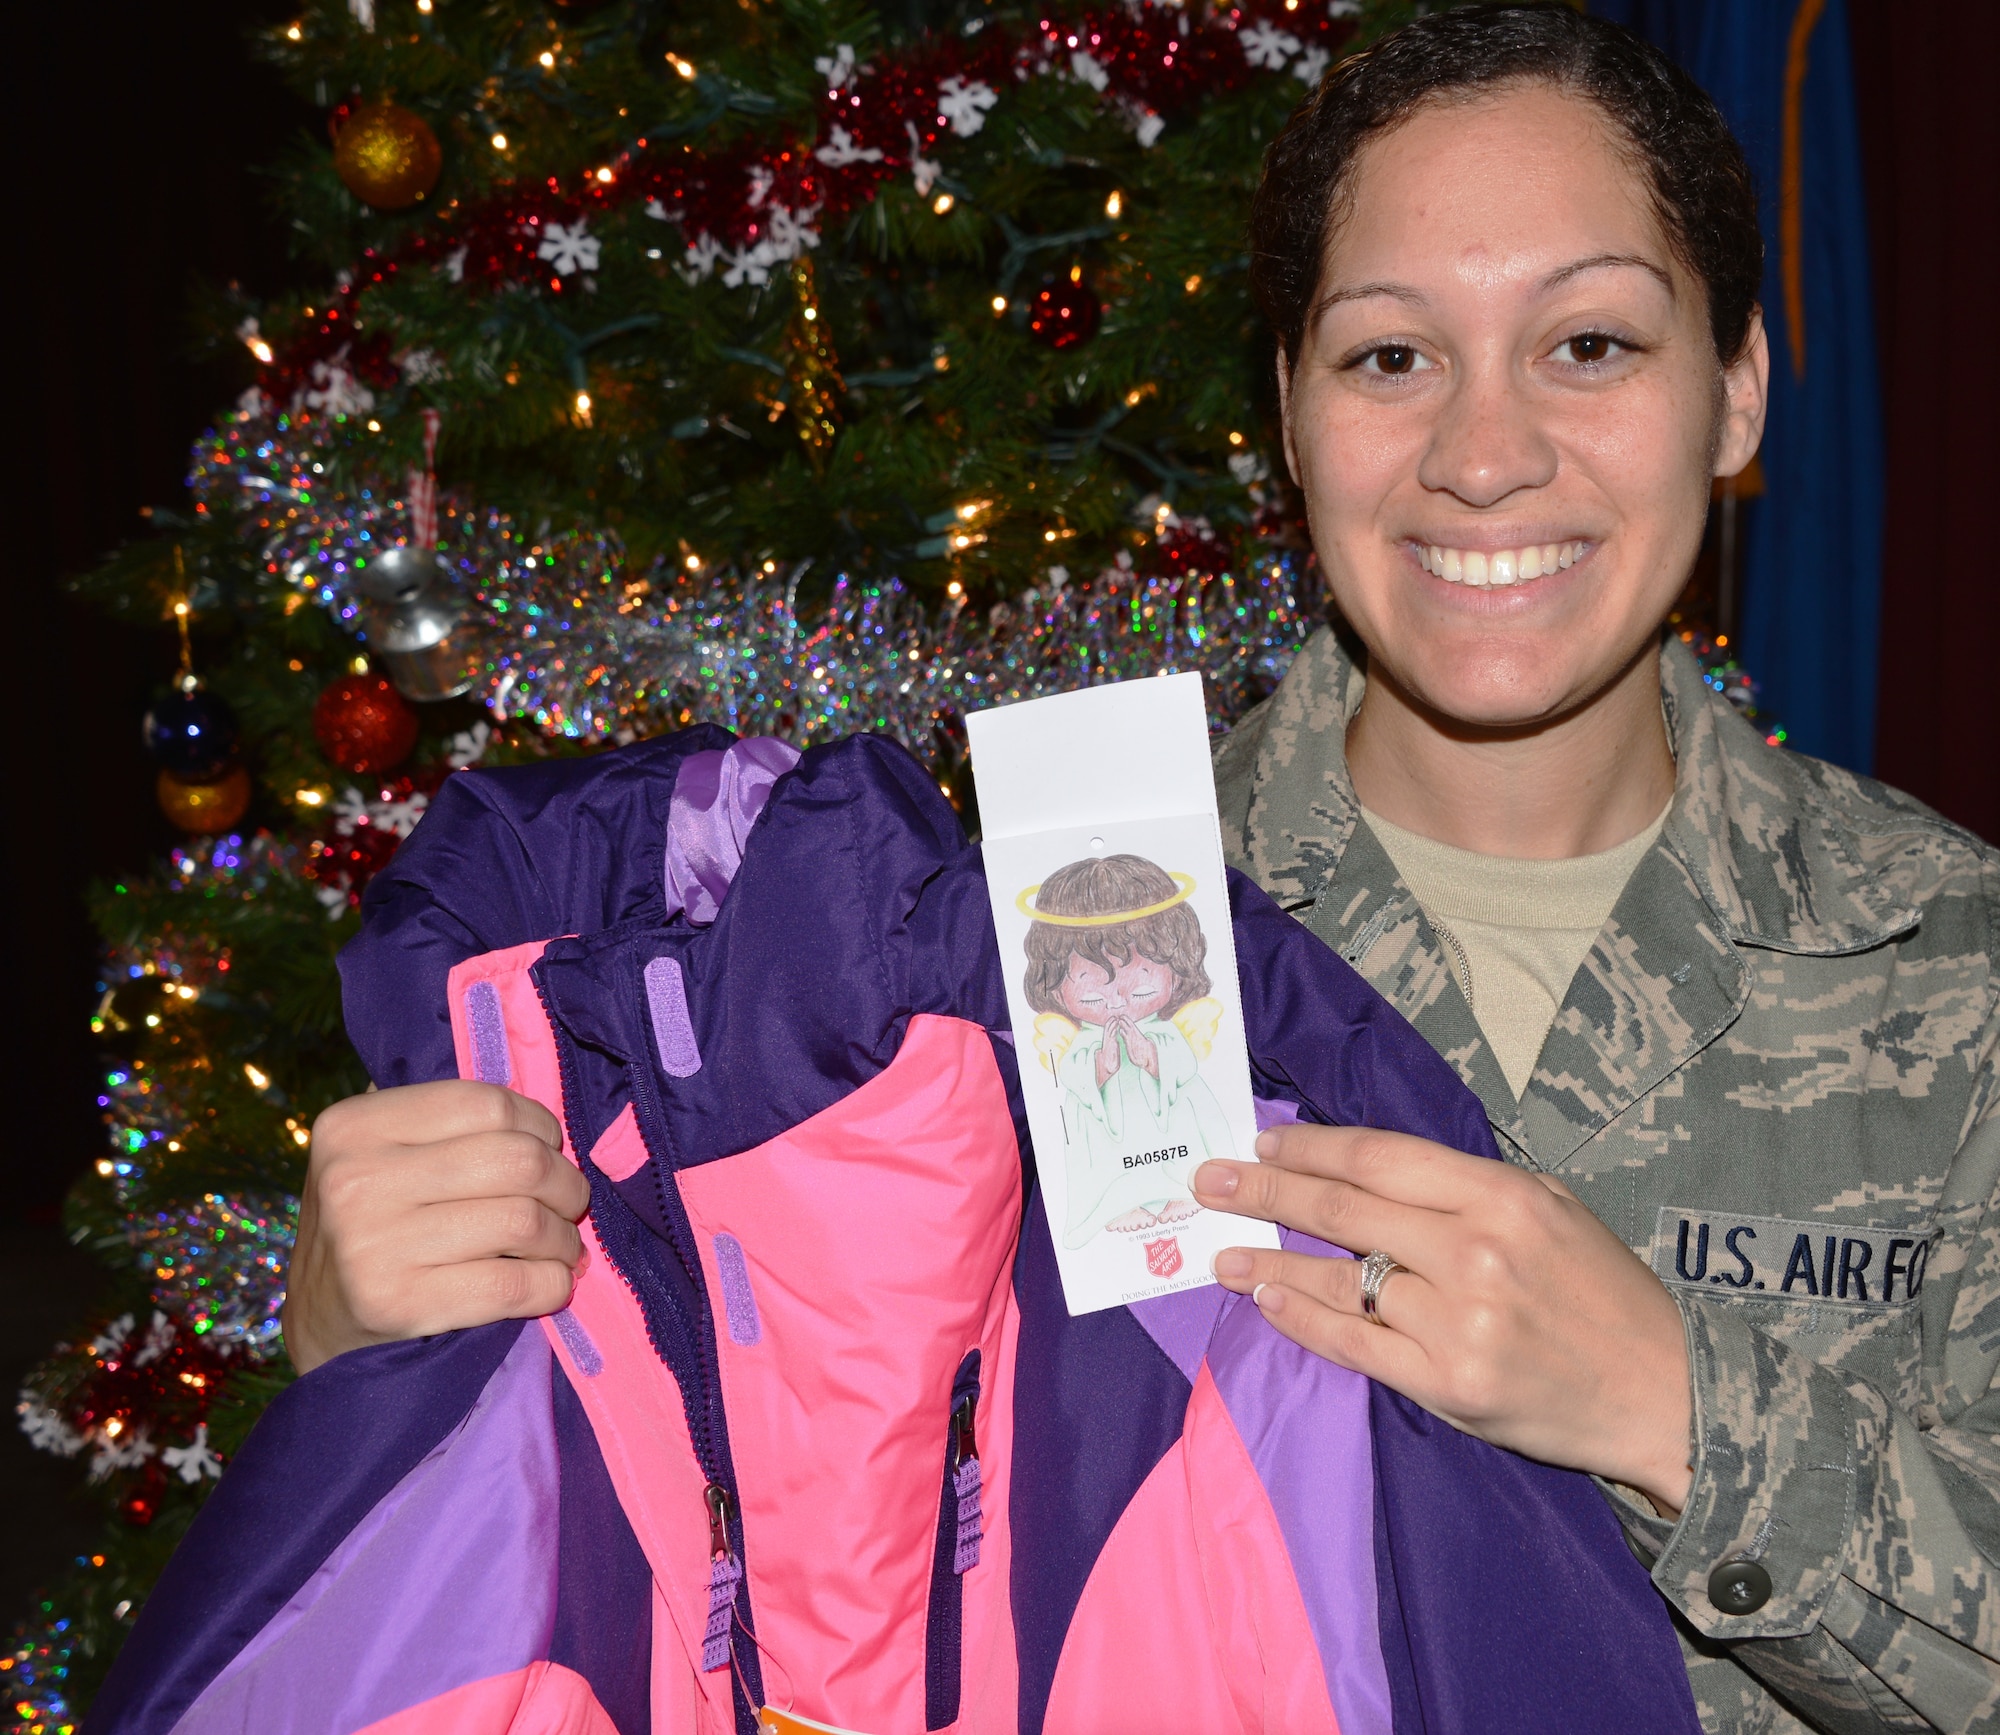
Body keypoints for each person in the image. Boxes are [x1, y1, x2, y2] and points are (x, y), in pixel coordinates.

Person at [280, 7, 2000, 1730]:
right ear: (1292, 413)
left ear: (1739, 390)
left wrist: (1672, 1410)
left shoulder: (1956, 966)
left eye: (1594, 343)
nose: (1487, 453)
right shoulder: (1005, 941)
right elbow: (774, 1563)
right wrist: (386, 1350)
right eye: (1392, 356)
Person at [1019, 852, 1232, 1245]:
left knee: (1186, 1119)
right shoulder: (1081, 1041)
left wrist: (1151, 1057)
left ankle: (1182, 1189)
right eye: (1090, 977)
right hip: (1104, 1125)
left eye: (1142, 971)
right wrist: (1101, 1066)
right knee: (1092, 1137)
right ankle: (1116, 1201)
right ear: (1054, 980)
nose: (1116, 991)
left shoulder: (1165, 1031)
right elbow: (1073, 1076)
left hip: (1172, 1120)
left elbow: (1182, 1066)